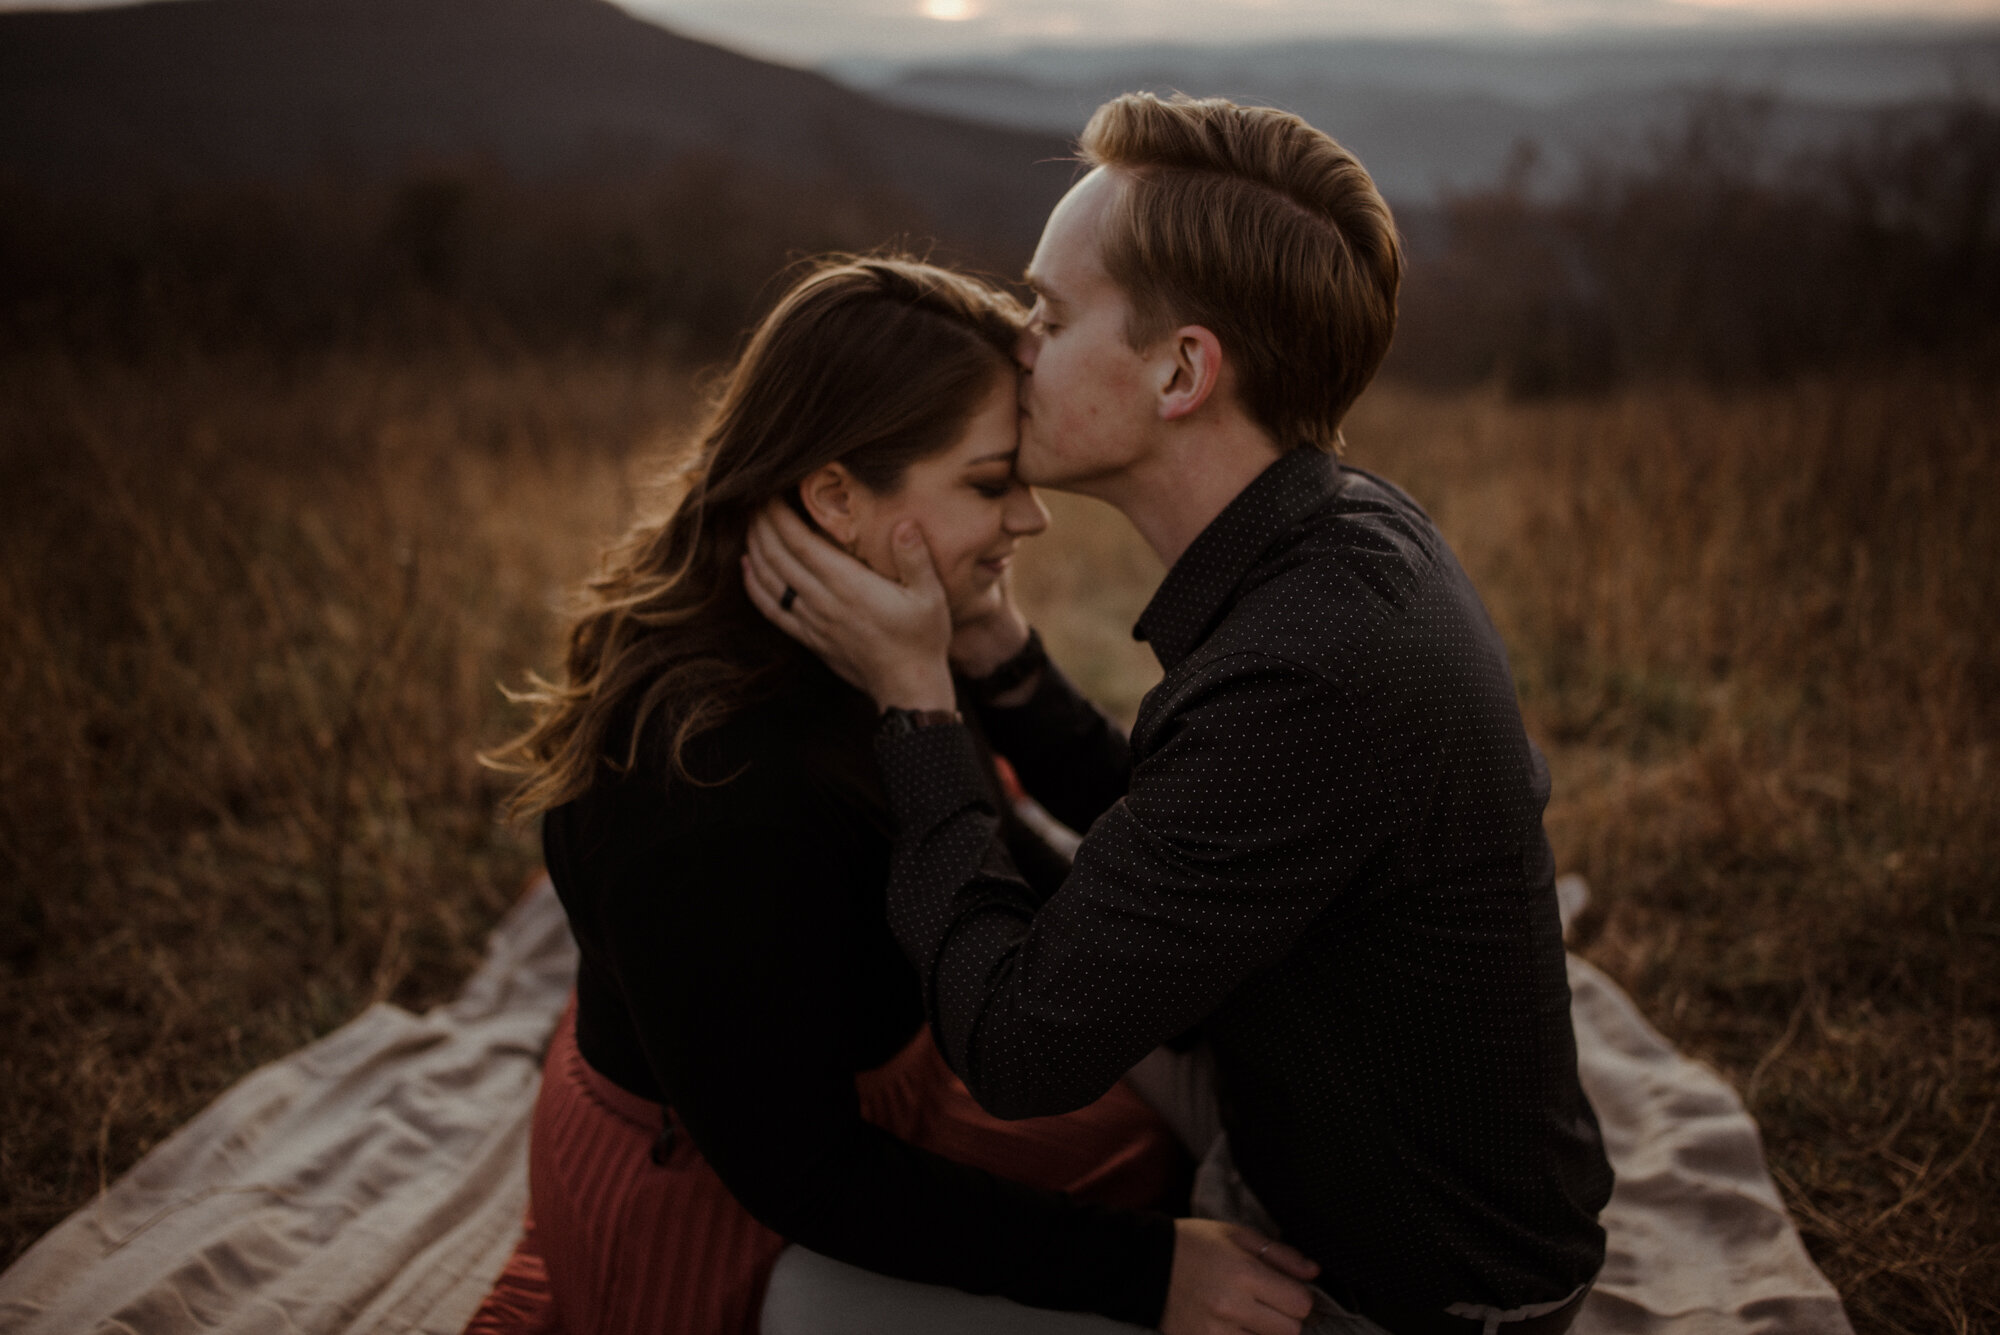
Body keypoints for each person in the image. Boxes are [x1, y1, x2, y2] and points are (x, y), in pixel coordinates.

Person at [743, 95, 1615, 1335]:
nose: (1012, 344)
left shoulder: (1314, 665)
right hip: (1309, 1118)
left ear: (1180, 372)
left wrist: (913, 704)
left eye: (1043, 314)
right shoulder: (1335, 537)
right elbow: (1173, 824)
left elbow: (1018, 1045)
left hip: (1410, 1297)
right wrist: (992, 653)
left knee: (803, 1305)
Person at [471, 255, 1323, 1335]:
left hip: (895, 1097)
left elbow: (1016, 852)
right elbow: (803, 1173)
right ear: (833, 495)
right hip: (731, 1207)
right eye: (986, 482)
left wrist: (1153, 957)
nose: (1031, 518)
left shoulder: (879, 637)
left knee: (1154, 1158)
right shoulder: (704, 790)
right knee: (1176, 1264)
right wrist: (1147, 1272)